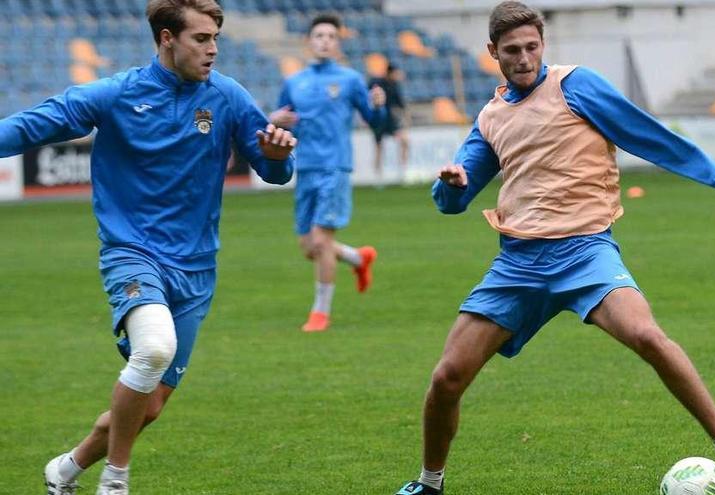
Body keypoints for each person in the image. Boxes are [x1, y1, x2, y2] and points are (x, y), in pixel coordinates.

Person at [394, 2, 715, 495]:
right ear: (492, 52)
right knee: (447, 377)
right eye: (512, 50)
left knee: (649, 337)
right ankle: (430, 483)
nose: (524, 58)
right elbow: (451, 200)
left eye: (532, 47)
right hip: (518, 263)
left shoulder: (576, 86)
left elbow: (650, 136)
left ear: (543, 45)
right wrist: (452, 186)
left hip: (585, 252)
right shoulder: (491, 118)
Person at [0, 1, 296, 494]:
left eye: (216, 38)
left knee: (150, 403)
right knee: (155, 348)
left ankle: (65, 469)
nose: (213, 49)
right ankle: (115, 480)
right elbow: (35, 124)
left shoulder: (227, 96)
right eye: (201, 38)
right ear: (166, 38)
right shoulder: (117, 93)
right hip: (131, 253)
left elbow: (275, 170)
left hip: (197, 268)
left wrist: (276, 156)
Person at [270, 13, 386, 332]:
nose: (324, 40)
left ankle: (320, 312)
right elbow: (277, 120)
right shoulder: (294, 83)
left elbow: (375, 121)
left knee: (321, 241)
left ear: (338, 44)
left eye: (331, 36)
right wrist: (274, 120)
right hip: (304, 167)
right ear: (309, 42)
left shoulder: (349, 80)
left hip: (334, 167)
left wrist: (378, 106)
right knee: (309, 247)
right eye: (319, 35)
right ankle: (358, 259)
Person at [368, 63, 410, 181]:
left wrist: (404, 119)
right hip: (378, 120)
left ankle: (403, 171)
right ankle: (378, 176)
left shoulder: (395, 86)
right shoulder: (376, 83)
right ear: (390, 73)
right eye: (396, 73)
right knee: (379, 148)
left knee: (404, 141)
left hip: (391, 121)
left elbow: (401, 104)